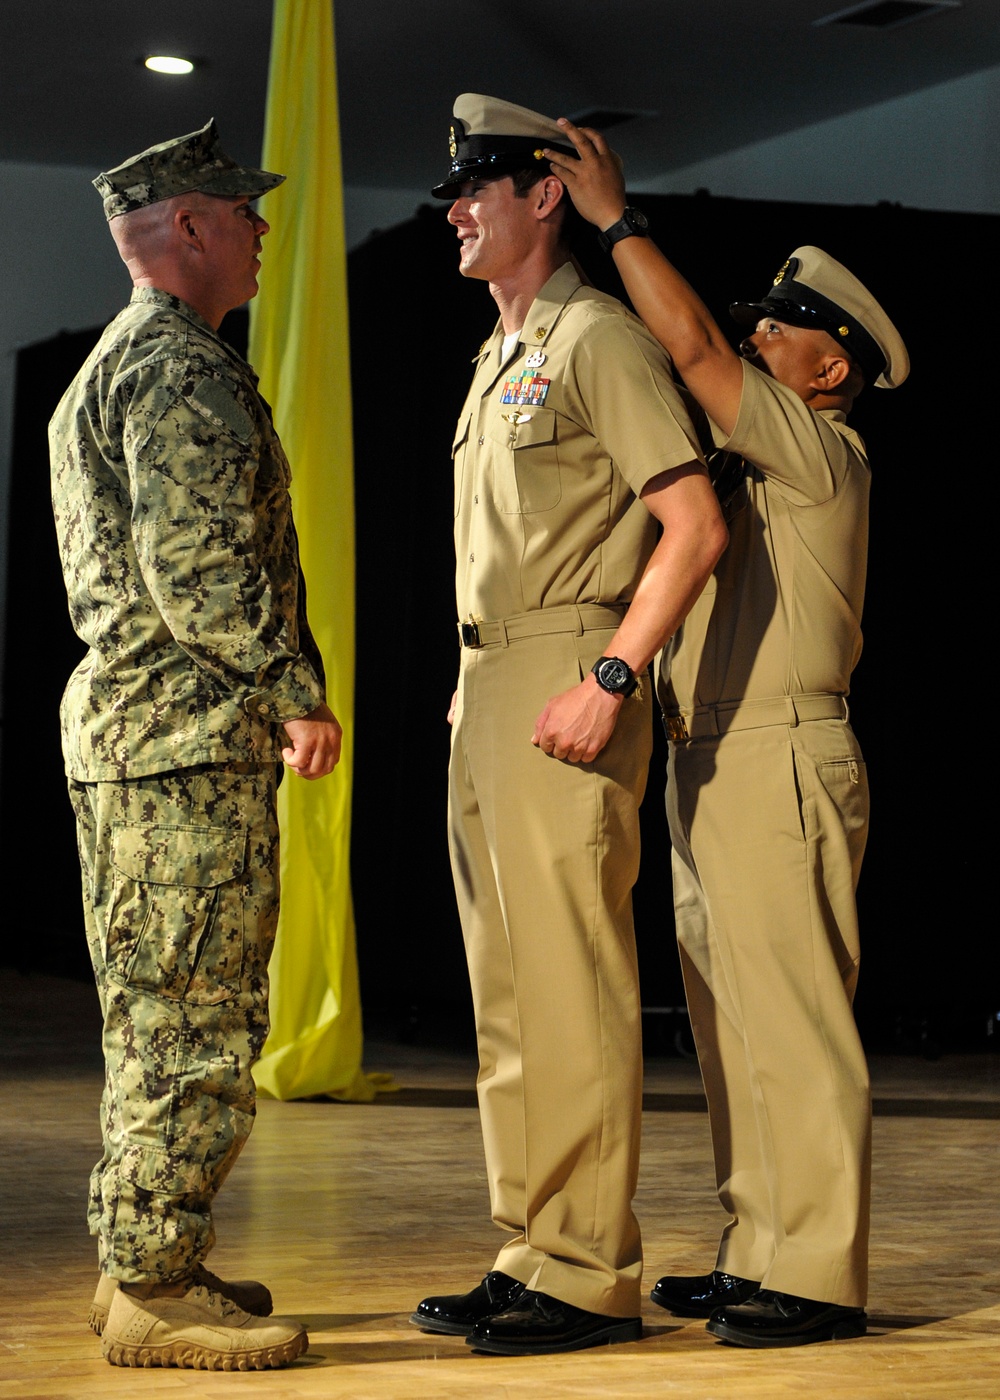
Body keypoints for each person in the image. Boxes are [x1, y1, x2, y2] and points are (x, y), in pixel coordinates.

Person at [544, 120, 909, 1349]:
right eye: (759, 316)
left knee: (792, 1018)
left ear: (828, 371)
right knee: (729, 1020)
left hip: (780, 752)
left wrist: (613, 221)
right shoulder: (756, 466)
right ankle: (762, 1241)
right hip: (711, 754)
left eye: (782, 327)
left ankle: (817, 1270)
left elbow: (689, 347)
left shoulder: (822, 455)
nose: (756, 333)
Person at [409, 94, 727, 1357]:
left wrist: (610, 673)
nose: (454, 209)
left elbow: (691, 521)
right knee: (506, 989)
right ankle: (531, 1243)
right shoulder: (500, 351)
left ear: (545, 193)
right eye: (452, 190)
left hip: (565, 671)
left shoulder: (596, 336)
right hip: (484, 681)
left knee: (572, 980)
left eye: (478, 184)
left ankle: (591, 1267)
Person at [49, 120, 342, 1371]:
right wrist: (292, 688)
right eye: (242, 210)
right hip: (182, 739)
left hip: (137, 736)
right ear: (186, 227)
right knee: (197, 1017)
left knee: (151, 1012)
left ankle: (141, 1262)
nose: (263, 230)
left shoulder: (119, 359)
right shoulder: (178, 370)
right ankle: (157, 1288)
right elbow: (199, 570)